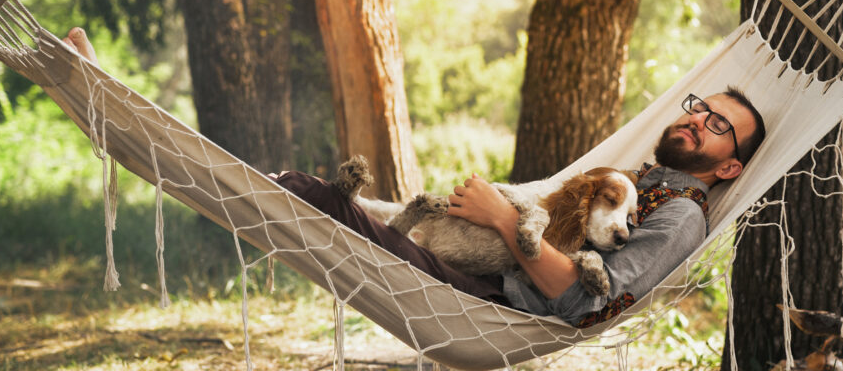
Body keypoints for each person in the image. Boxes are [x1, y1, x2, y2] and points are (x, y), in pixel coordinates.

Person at [62, 28, 765, 326]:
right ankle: (131, 126)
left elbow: (586, 306)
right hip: (463, 262)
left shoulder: (680, 216)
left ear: (730, 165)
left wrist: (498, 218)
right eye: (700, 106)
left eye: (717, 126)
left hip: (492, 300)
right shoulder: (632, 181)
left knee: (315, 201)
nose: (697, 120)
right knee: (327, 201)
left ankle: (130, 128)